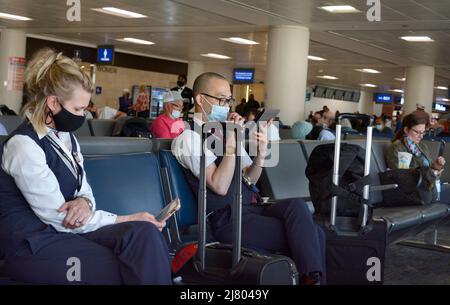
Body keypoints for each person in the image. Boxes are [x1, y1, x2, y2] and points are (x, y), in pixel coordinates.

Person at [0, 49, 171, 284]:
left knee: (145, 234)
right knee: (125, 262)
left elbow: (85, 189)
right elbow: (57, 216)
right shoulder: (23, 145)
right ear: (53, 103)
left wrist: (84, 202)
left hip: (69, 233)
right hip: (33, 245)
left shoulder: (66, 138)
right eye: (78, 109)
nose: (82, 116)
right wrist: (125, 218)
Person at [172, 72, 326, 284]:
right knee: (313, 235)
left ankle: (311, 279)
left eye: (229, 100)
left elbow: (249, 179)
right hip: (227, 219)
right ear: (200, 99)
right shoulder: (189, 138)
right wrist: (233, 142)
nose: (226, 106)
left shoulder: (225, 133)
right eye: (221, 100)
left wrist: (261, 153)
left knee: (297, 207)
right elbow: (219, 185)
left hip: (250, 207)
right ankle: (312, 280)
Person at [385, 112, 445, 197]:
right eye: (417, 132)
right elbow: (403, 177)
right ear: (406, 130)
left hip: (426, 190)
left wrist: (436, 166)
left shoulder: (421, 146)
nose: (421, 136)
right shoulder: (397, 148)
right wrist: (431, 174)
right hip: (410, 194)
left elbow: (429, 168)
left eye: (423, 132)